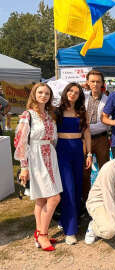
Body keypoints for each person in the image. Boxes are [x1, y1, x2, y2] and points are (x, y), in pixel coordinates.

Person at [14, 83, 63, 251]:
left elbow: (53, 138)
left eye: (47, 93)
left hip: (50, 154)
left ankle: (40, 233)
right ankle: (42, 235)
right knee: (54, 198)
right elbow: (20, 142)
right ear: (34, 94)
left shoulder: (49, 115)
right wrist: (24, 166)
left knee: (42, 198)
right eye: (40, 92)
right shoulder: (28, 115)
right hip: (36, 157)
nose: (44, 95)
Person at [56, 83, 92, 245]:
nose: (73, 94)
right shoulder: (56, 111)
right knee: (68, 189)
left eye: (76, 92)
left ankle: (69, 220)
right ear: (66, 92)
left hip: (78, 151)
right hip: (61, 151)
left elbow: (87, 133)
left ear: (80, 96)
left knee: (77, 188)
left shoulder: (82, 112)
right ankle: (70, 232)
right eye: (70, 90)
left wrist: (89, 153)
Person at [82, 70, 110, 202]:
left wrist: (88, 127)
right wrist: (81, 85)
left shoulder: (108, 100)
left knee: (104, 170)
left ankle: (104, 198)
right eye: (92, 81)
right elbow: (60, 94)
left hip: (101, 138)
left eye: (98, 81)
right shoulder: (81, 97)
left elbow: (108, 122)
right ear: (87, 82)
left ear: (102, 83)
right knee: (84, 171)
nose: (95, 84)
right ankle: (86, 199)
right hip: (83, 140)